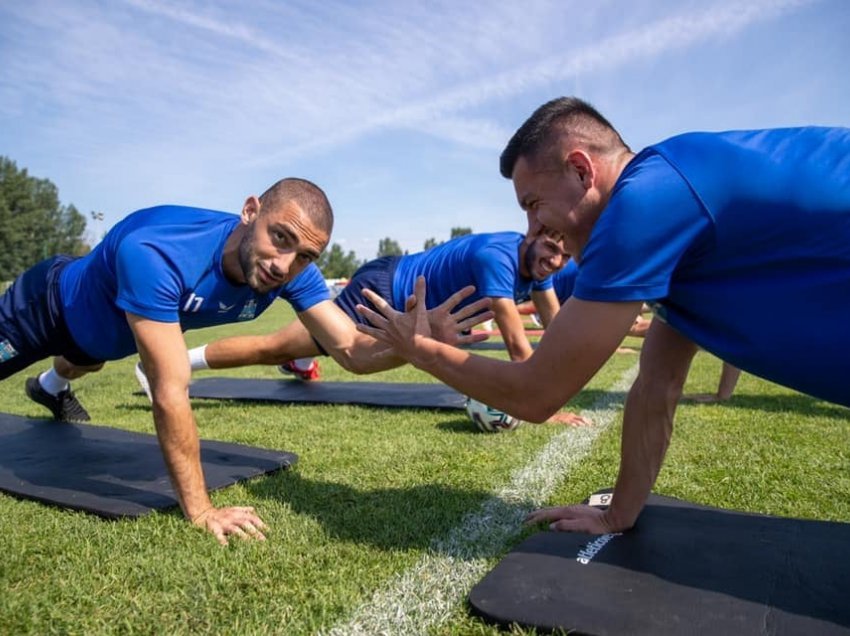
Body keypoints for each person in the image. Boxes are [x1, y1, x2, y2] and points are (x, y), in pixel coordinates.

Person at [355, 97, 850, 536]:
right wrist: (618, 514)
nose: (532, 228)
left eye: (533, 204)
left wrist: (417, 348)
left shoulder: (646, 203)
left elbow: (536, 394)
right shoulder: (672, 213)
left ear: (581, 170)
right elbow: (656, 385)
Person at [1, 178, 334, 544]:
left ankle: (49, 387)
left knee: (83, 362)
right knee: (91, 354)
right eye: (281, 237)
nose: (285, 265)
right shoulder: (158, 248)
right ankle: (51, 378)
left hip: (97, 339)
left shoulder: (286, 268)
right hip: (44, 308)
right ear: (250, 211)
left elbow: (348, 342)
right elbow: (170, 391)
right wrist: (201, 510)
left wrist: (402, 331)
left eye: (304, 255)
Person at [169, 231, 590, 426]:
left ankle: (299, 358)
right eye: (552, 249)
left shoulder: (538, 267)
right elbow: (519, 345)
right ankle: (177, 366)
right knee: (274, 347)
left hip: (402, 299)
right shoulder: (498, 257)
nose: (555, 261)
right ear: (533, 235)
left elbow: (554, 324)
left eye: (564, 256)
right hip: (385, 293)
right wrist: (542, 406)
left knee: (294, 348)